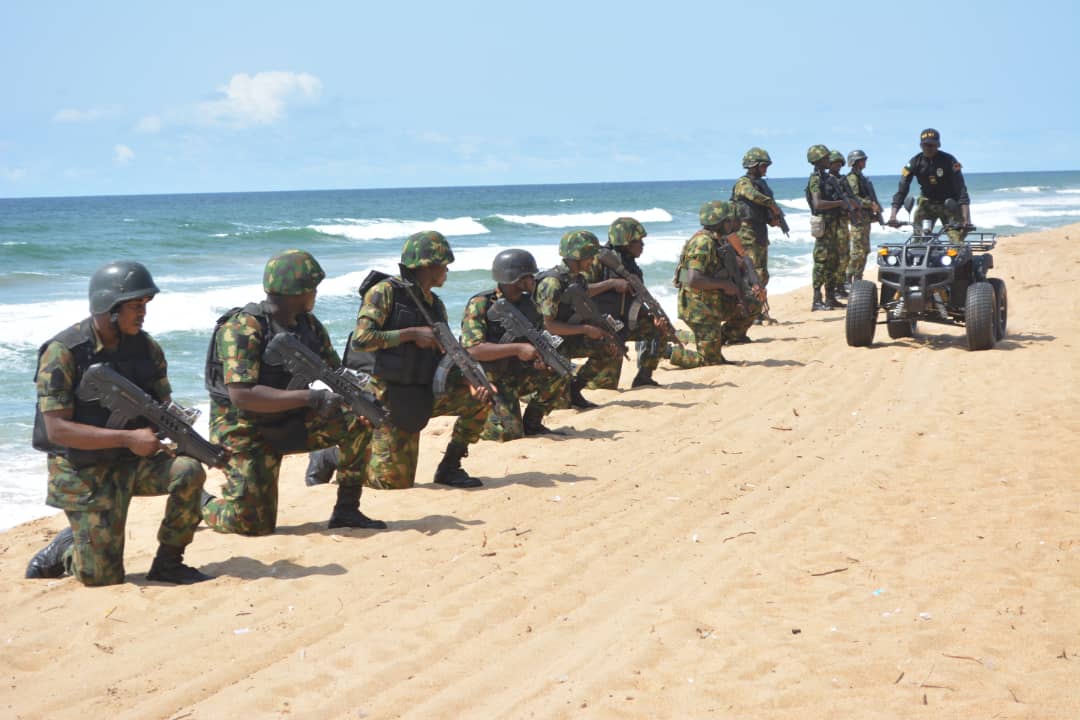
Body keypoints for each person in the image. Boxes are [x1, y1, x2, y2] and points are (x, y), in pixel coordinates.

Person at [25, 261, 211, 585]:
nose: (142, 313)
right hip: (82, 471)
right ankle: (67, 549)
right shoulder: (63, 353)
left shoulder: (147, 348)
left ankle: (168, 563)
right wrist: (127, 439)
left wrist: (190, 443)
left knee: (189, 471)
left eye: (144, 306)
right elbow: (57, 429)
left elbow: (165, 408)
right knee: (101, 578)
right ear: (108, 307)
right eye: (134, 306)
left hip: (131, 464)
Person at [202, 249, 381, 534]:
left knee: (356, 422)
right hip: (244, 427)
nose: (316, 294)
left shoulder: (308, 326)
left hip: (290, 417)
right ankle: (201, 502)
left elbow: (337, 372)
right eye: (312, 288)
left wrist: (364, 398)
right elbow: (242, 395)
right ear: (295, 292)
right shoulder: (243, 328)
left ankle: (347, 509)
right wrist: (311, 398)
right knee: (251, 525)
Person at [349, 231, 492, 490]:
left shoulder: (435, 305)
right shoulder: (384, 292)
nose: (447, 270)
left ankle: (451, 466)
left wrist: (471, 381)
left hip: (422, 389)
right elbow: (361, 339)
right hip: (388, 395)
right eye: (444, 264)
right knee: (392, 483)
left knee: (482, 398)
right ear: (427, 266)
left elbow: (446, 355)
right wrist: (411, 335)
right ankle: (333, 458)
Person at [461, 249, 569, 439]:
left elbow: (535, 339)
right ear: (515, 278)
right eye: (529, 276)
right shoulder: (481, 303)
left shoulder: (530, 304)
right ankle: (484, 419)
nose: (533, 280)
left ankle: (533, 424)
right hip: (491, 379)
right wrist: (518, 349)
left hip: (517, 374)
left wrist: (538, 360)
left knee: (559, 372)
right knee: (509, 434)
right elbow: (473, 349)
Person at [585, 217, 702, 388]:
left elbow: (634, 303)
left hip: (623, 323)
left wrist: (651, 316)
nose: (642, 245)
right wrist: (611, 284)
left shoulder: (631, 268)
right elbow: (579, 290)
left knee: (657, 329)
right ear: (626, 242)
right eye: (638, 241)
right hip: (601, 325)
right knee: (604, 386)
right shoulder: (597, 260)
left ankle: (644, 377)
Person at [534, 230, 621, 409]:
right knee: (557, 400)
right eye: (589, 257)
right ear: (577, 256)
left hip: (565, 336)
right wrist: (585, 330)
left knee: (608, 347)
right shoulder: (552, 283)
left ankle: (575, 390)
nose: (592, 261)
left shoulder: (577, 279)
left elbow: (584, 292)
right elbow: (547, 324)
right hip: (546, 342)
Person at [672, 201, 762, 364]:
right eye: (729, 220)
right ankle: (664, 350)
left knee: (751, 306)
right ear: (721, 223)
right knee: (710, 360)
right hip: (699, 308)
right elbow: (691, 278)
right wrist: (724, 285)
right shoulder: (702, 242)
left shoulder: (718, 240)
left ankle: (707, 337)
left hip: (714, 302)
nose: (733, 223)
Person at [889, 128, 972, 243]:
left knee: (957, 241)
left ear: (938, 145)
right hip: (927, 204)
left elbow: (961, 189)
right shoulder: (915, 162)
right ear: (920, 146)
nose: (928, 148)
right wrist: (893, 215)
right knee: (918, 241)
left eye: (932, 145)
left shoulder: (949, 161)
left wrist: (966, 218)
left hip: (949, 204)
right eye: (925, 145)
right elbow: (902, 188)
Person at [730, 147, 783, 325]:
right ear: (753, 166)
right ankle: (750, 312)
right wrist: (771, 204)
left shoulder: (761, 184)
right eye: (763, 166)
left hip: (759, 231)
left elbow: (760, 208)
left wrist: (773, 219)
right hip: (746, 233)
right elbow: (754, 197)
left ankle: (756, 310)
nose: (765, 169)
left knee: (762, 273)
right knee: (752, 273)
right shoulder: (743, 183)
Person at [805, 144, 848, 311]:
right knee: (821, 261)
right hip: (824, 224)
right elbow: (818, 203)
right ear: (817, 160)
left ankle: (830, 298)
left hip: (834, 224)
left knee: (834, 261)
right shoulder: (815, 179)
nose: (828, 160)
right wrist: (840, 203)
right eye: (825, 158)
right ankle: (817, 299)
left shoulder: (827, 178)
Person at [845, 149, 881, 283]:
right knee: (857, 253)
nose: (865, 162)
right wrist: (870, 204)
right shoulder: (852, 178)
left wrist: (873, 214)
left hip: (865, 219)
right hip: (857, 220)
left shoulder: (861, 178)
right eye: (862, 160)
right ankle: (848, 278)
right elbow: (854, 199)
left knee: (865, 251)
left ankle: (858, 278)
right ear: (855, 162)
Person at [827, 150, 852, 299]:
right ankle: (836, 287)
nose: (838, 167)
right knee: (836, 257)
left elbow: (848, 196)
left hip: (843, 220)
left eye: (839, 164)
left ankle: (840, 285)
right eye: (835, 164)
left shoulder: (842, 180)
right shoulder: (827, 180)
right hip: (833, 221)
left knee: (845, 255)